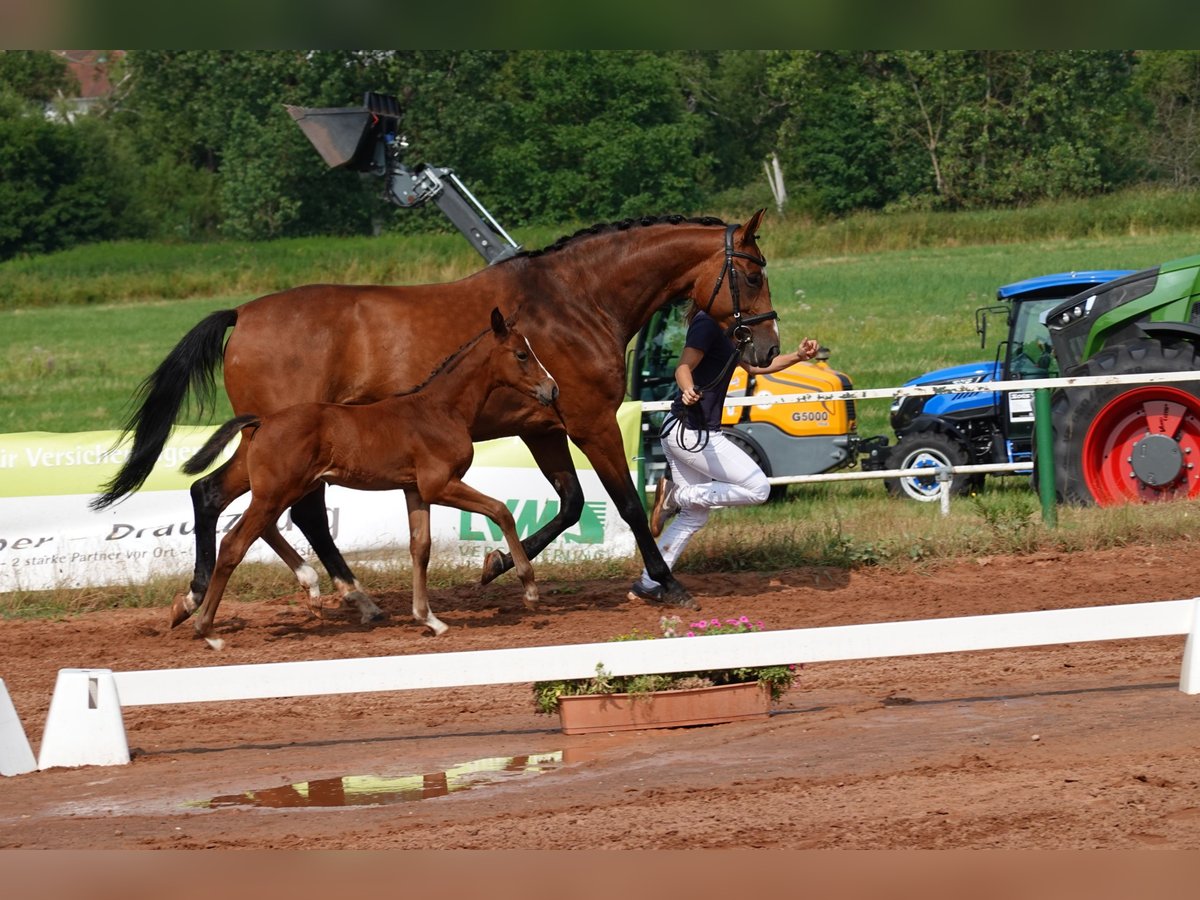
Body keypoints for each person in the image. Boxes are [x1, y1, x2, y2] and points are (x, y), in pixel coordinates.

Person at [628, 302, 821, 609]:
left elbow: (756, 367)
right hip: (689, 432)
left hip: (690, 431)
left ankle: (649, 583)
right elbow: (682, 367)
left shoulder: (734, 328)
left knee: (694, 516)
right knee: (759, 488)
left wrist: (798, 357)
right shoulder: (706, 323)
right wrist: (689, 389)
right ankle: (677, 496)